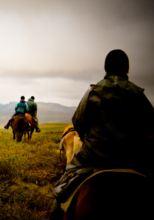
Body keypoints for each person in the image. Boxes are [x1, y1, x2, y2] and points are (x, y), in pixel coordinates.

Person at [50, 49, 154, 220]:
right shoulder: (139, 95)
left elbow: (78, 121)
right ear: (127, 70)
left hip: (93, 155)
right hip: (132, 158)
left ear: (105, 69)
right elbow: (151, 128)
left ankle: (55, 212)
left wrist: (89, 139)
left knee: (64, 186)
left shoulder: (93, 91)